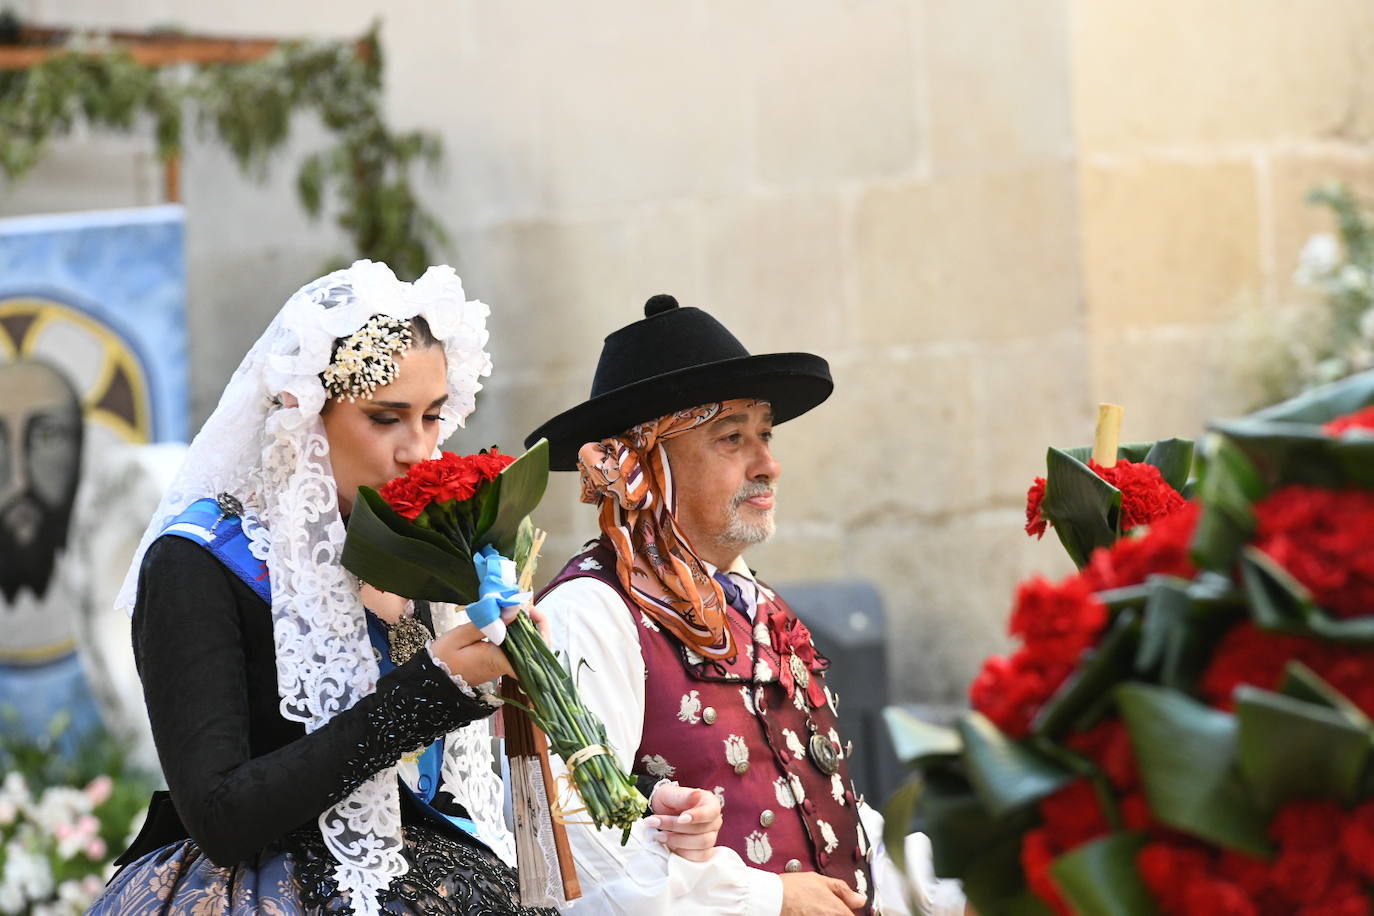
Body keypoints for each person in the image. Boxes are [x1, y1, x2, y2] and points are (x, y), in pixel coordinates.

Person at [89, 263, 720, 916]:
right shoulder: (199, 561)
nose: (419, 451)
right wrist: (429, 688)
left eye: (432, 417)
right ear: (302, 412)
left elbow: (457, 793)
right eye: (387, 418)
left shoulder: (422, 548)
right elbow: (220, 816)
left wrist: (641, 809)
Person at [527, 296, 966, 916]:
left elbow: (833, 832)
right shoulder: (590, 615)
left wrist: (960, 892)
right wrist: (767, 899)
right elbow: (577, 847)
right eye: (732, 438)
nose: (768, 463)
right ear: (649, 465)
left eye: (765, 434)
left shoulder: (755, 603)